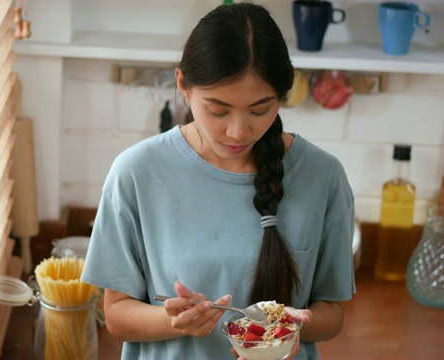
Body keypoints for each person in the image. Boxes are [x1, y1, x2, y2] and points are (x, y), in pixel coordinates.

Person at [80, 3, 355, 359]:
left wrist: (292, 326)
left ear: (282, 97)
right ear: (184, 86)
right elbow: (116, 315)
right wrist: (175, 322)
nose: (238, 131)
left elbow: (332, 315)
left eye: (260, 110)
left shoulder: (324, 177)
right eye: (217, 110)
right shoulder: (135, 172)